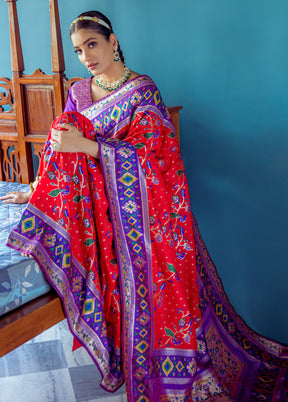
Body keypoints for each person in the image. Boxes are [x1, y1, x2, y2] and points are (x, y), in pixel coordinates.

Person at [1, 10, 288, 402]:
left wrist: (88, 146)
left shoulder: (142, 91)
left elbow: (157, 161)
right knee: (59, 128)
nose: (86, 56)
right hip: (100, 213)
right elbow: (60, 151)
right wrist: (35, 189)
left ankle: (176, 370)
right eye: (78, 49)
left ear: (112, 41)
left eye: (92, 44)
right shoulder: (80, 93)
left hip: (144, 216)